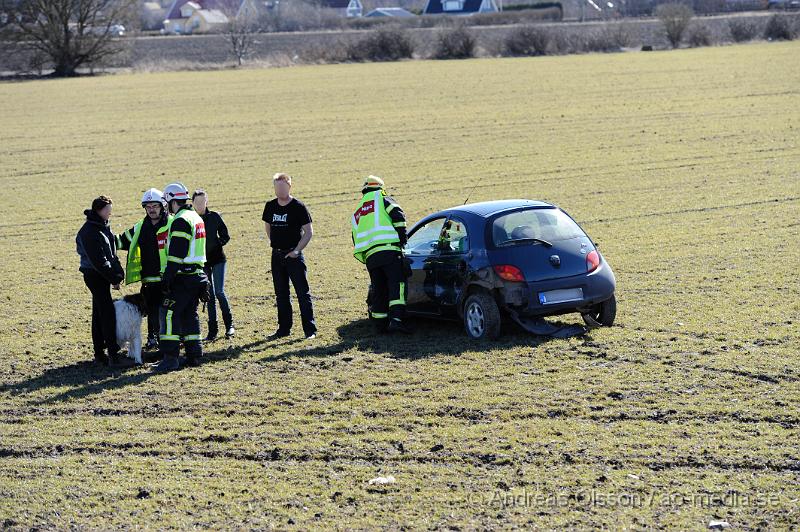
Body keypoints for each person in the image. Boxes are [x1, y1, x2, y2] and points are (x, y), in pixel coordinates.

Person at [154, 182, 209, 372]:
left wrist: (168, 277)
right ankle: (194, 355)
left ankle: (170, 358)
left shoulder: (181, 220)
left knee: (169, 313)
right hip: (198, 275)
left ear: (170, 201)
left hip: (184, 277)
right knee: (189, 314)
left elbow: (177, 253)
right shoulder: (195, 217)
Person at [351, 175, 410, 334]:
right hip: (390, 251)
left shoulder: (357, 211)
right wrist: (402, 240)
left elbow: (354, 237)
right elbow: (398, 217)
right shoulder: (382, 199)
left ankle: (380, 326)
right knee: (397, 285)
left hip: (371, 257)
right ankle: (396, 321)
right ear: (381, 188)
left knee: (379, 289)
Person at [262, 173, 317, 341]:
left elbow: (308, 232)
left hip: (294, 256)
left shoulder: (298, 207)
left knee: (302, 293)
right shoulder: (270, 206)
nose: (280, 190)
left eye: (283, 187)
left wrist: (297, 251)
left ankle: (310, 330)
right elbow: (268, 227)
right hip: (277, 256)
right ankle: (284, 329)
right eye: (277, 187)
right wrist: (275, 244)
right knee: (281, 294)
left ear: (289, 187)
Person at [116, 188, 172, 352]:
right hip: (148, 280)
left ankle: (169, 341)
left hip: (169, 279)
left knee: (168, 312)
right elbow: (119, 241)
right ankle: (152, 339)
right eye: (148, 207)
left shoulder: (173, 223)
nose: (152, 209)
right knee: (152, 312)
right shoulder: (140, 227)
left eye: (155, 205)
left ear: (162, 206)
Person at [76, 195, 125, 365]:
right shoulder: (89, 231)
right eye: (107, 210)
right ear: (98, 210)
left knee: (99, 311)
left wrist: (118, 272)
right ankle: (113, 354)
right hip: (94, 276)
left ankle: (100, 353)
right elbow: (99, 261)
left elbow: (111, 254)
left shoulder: (103, 227)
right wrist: (114, 277)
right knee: (106, 311)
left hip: (101, 275)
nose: (110, 213)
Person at [192, 189, 234, 341]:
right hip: (202, 263)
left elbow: (225, 235)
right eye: (197, 202)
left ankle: (229, 326)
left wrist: (218, 243)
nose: (200, 204)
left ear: (207, 201)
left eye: (203, 201)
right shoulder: (191, 219)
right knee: (208, 296)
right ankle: (212, 331)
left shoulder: (214, 217)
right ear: (193, 203)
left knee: (219, 292)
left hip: (218, 260)